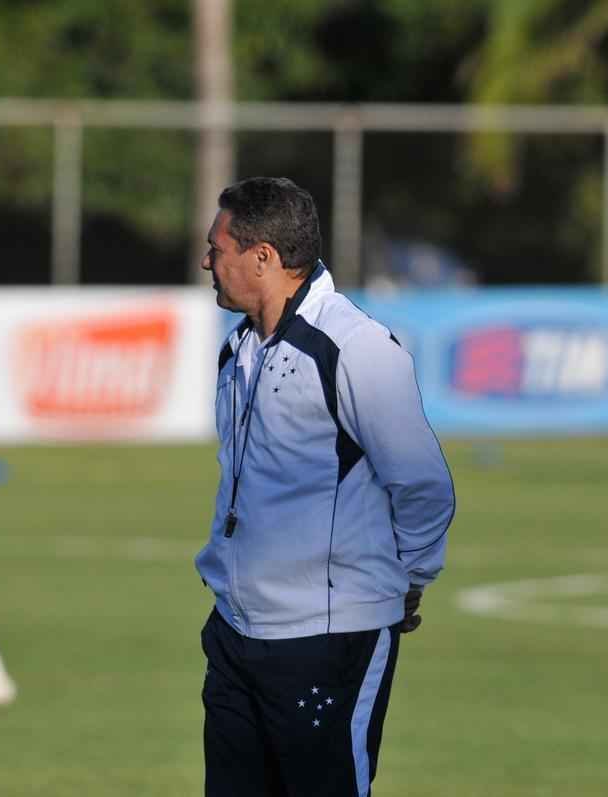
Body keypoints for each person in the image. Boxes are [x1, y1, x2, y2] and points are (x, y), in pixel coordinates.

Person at [195, 176, 455, 796]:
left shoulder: (355, 348)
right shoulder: (238, 349)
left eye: (217, 247)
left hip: (327, 640)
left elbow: (423, 486)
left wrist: (410, 580)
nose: (207, 260)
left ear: (262, 258)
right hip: (236, 632)